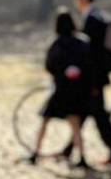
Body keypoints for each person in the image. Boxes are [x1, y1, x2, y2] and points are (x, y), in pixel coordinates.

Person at [29, 9, 91, 168]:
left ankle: (35, 153)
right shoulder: (82, 43)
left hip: (60, 90)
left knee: (45, 122)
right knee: (75, 125)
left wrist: (62, 73)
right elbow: (89, 65)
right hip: (76, 91)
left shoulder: (56, 44)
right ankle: (82, 157)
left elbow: (49, 66)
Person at [72, 0, 111, 166]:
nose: (76, 3)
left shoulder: (92, 19)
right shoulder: (97, 16)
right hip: (96, 76)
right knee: (85, 113)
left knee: (99, 116)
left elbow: (92, 54)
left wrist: (89, 78)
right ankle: (70, 150)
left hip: (94, 77)